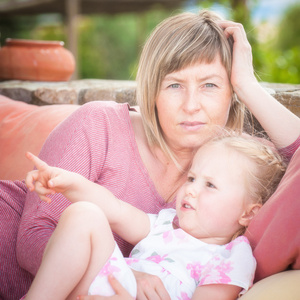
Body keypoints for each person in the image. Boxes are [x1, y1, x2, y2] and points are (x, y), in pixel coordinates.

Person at [0, 9, 299, 300]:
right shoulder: (99, 124)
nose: (191, 105)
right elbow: (31, 237)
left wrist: (248, 85)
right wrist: (128, 281)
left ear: (230, 92)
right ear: (152, 91)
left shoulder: (242, 167)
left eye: (210, 85)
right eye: (174, 85)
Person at [24, 133, 286, 300]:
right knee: (85, 213)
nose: (191, 189)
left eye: (210, 185)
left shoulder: (231, 257)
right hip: (105, 285)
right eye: (192, 178)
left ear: (248, 213)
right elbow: (113, 209)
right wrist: (69, 183)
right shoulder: (164, 224)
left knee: (86, 214)